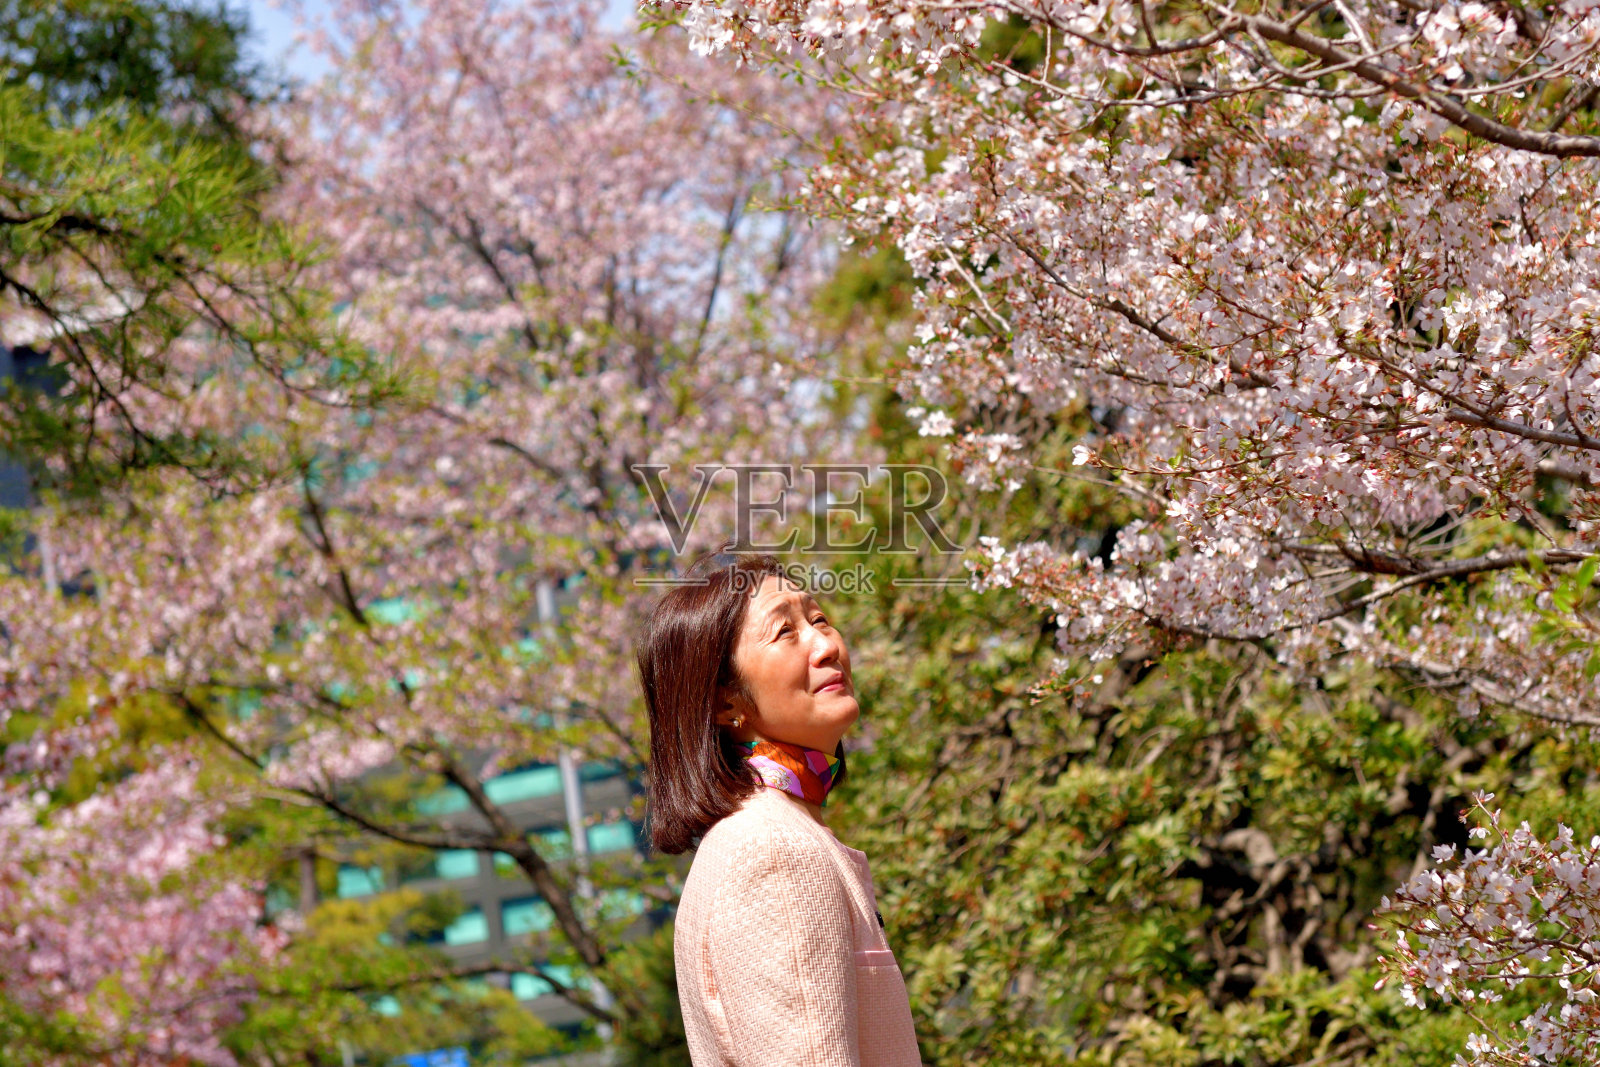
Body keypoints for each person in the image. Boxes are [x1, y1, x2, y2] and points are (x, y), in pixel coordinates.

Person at [635, 551, 921, 1066]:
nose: (826, 645)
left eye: (818, 618)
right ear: (726, 704)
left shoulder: (771, 834)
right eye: (785, 632)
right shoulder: (774, 852)